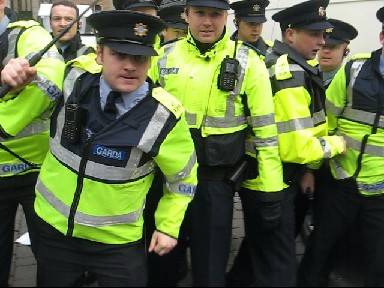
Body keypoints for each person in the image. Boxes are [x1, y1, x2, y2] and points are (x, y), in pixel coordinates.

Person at [2, 10, 198, 286]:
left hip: (116, 245)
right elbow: (37, 79)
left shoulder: (164, 115)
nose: (130, 66)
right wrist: (13, 79)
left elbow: (183, 180)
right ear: (99, 54)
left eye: (140, 57)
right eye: (119, 55)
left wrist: (167, 227)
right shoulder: (71, 79)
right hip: (55, 233)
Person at [151, 0, 284, 285]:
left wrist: (271, 189)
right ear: (186, 15)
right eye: (200, 13)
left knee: (210, 265)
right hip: (166, 180)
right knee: (161, 261)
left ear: (227, 17)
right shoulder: (163, 57)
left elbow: (265, 130)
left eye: (215, 14)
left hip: (215, 183)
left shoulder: (249, 61)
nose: (207, 22)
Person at [256, 0, 347, 285]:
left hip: (282, 175)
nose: (322, 42)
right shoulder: (290, 72)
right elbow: (297, 147)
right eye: (314, 34)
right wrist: (340, 144)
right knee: (281, 266)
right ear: (290, 34)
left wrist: (308, 169)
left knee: (260, 254)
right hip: (276, 179)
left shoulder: (296, 65)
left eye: (324, 35)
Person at [298, 6, 384, 286]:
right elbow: (326, 125)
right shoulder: (354, 71)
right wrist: (312, 169)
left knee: (377, 259)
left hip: (380, 189)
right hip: (340, 179)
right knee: (320, 249)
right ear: (382, 37)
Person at [0, 2, 65, 286]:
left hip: (35, 172)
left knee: (50, 257)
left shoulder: (30, 33)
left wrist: (5, 120)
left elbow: (50, 80)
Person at [318, 18, 358, 87]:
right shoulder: (304, 75)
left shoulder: (351, 83)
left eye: (332, 47)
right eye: (323, 46)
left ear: (346, 51)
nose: (326, 51)